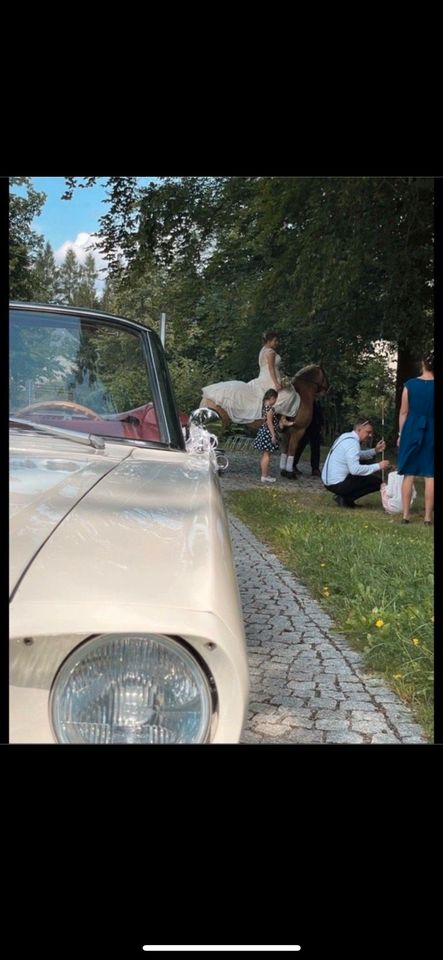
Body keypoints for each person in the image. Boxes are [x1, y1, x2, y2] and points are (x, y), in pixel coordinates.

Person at [201, 331, 300, 424]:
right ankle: (281, 419)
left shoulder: (263, 350)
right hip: (269, 378)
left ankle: (280, 418)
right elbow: (271, 369)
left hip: (263, 377)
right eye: (275, 341)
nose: (277, 343)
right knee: (290, 395)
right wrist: (276, 383)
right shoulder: (271, 352)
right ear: (269, 341)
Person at [397, 351, 434, 525]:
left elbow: (404, 412)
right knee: (430, 474)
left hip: (412, 428)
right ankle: (427, 518)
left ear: (422, 364)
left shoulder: (410, 385)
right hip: (432, 430)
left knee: (409, 473)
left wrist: (400, 434)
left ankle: (405, 516)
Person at [321, 417, 389, 507]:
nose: (370, 435)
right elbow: (355, 470)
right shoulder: (352, 443)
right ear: (359, 429)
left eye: (371, 433)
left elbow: (358, 455)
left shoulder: (345, 436)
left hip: (328, 481)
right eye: (368, 432)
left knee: (364, 473)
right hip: (336, 484)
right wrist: (378, 466)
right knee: (377, 482)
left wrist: (375, 450)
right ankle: (345, 499)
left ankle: (344, 497)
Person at [253, 389, 293, 483]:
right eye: (275, 399)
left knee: (264, 455)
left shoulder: (264, 407)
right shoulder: (270, 409)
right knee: (267, 455)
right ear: (272, 398)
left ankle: (264, 474)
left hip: (264, 431)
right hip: (268, 432)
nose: (275, 401)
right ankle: (264, 476)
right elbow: (269, 422)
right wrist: (273, 435)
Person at [292, 399, 324, 477]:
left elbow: (320, 415)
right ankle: (293, 464)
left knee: (316, 448)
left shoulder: (317, 402)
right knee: (300, 446)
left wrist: (321, 426)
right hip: (306, 427)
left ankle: (315, 468)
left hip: (316, 426)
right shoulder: (307, 402)